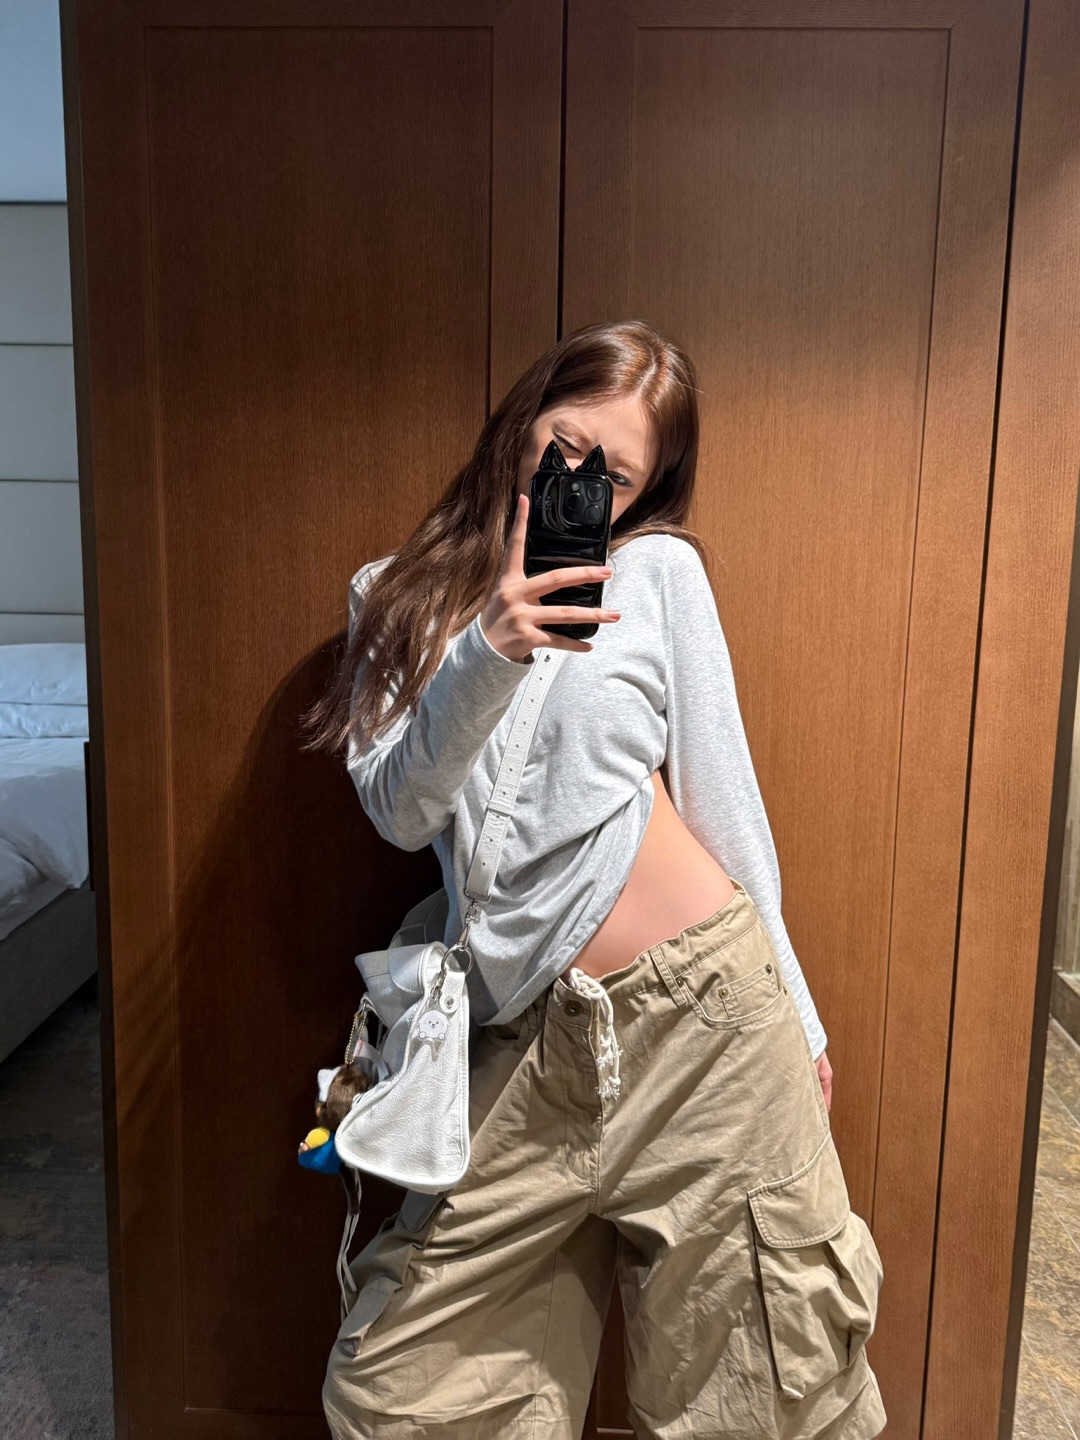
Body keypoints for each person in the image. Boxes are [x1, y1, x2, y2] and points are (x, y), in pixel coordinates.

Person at [303, 320, 887, 1439]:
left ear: (644, 492)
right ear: (524, 419)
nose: (578, 480)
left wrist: (801, 1017)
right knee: (405, 1396)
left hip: (710, 1027)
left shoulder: (659, 574)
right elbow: (400, 809)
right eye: (565, 445)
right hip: (522, 1048)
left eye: (613, 476)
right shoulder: (392, 598)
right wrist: (489, 649)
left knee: (762, 1392)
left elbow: (725, 803)